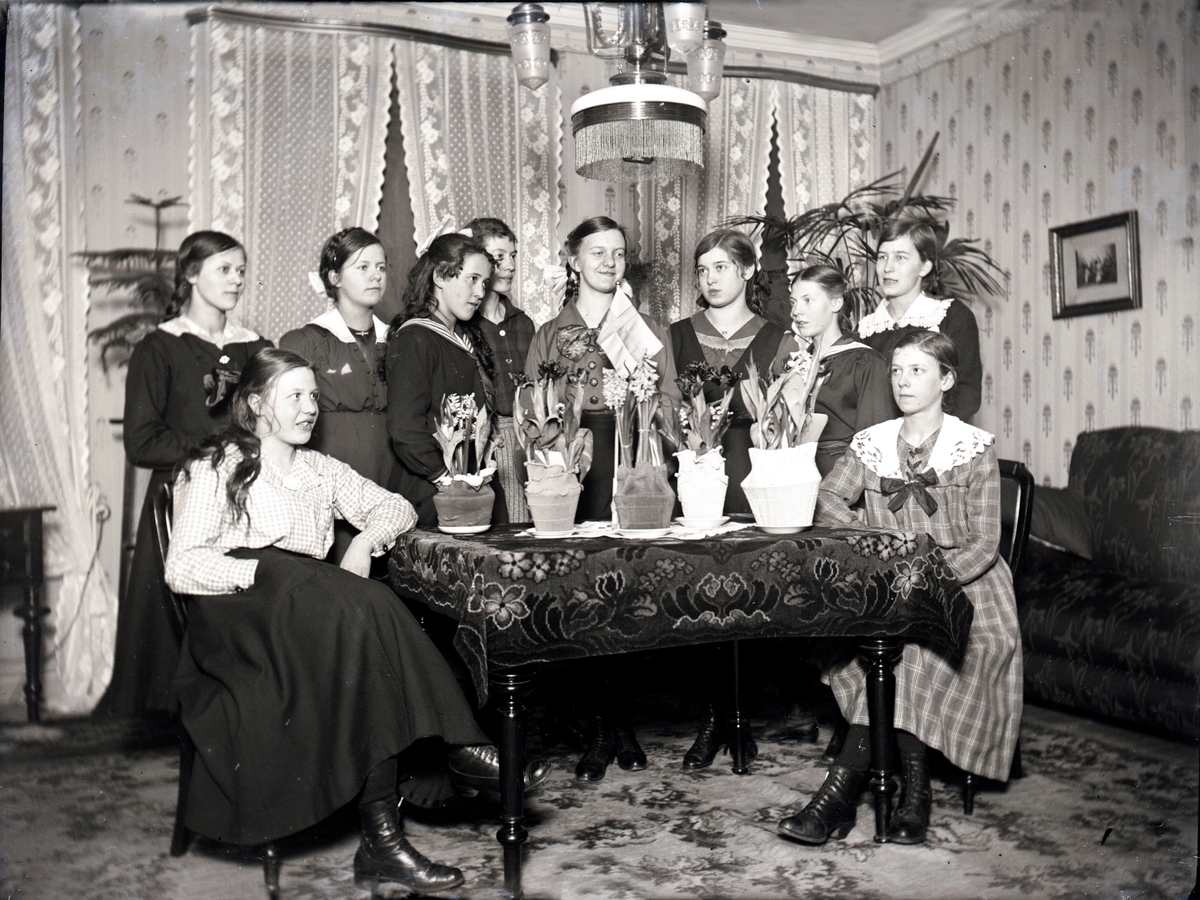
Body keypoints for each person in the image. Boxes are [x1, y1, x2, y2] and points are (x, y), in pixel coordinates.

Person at [165, 348, 548, 894]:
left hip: (314, 612)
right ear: (255, 404)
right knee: (366, 606)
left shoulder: (318, 469)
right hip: (241, 619)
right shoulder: (216, 467)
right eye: (294, 397)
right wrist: (265, 574)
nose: (309, 408)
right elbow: (181, 566)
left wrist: (365, 542)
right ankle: (459, 749)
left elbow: (397, 508)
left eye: (313, 396)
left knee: (368, 623)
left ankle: (385, 842)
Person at [779, 329, 1021, 847]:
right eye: (897, 371)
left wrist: (927, 579)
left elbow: (984, 543)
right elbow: (828, 500)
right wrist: (875, 545)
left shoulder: (973, 448)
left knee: (907, 651)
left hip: (966, 586)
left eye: (917, 371)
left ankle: (848, 794)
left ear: (946, 380)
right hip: (889, 582)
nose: (903, 381)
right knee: (880, 647)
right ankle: (911, 790)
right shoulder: (873, 444)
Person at [525, 216, 681, 782]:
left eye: (617, 253)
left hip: (633, 457)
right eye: (597, 252)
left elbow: (670, 399)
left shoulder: (646, 326)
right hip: (576, 465)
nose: (609, 262)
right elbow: (533, 409)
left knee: (631, 590)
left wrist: (645, 415)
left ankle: (622, 723)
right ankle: (596, 728)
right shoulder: (550, 332)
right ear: (573, 260)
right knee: (582, 593)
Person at [97, 231, 272, 717]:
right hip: (181, 500)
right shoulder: (159, 347)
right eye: (225, 270)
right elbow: (142, 442)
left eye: (241, 271)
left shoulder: (256, 347)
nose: (237, 280)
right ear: (191, 274)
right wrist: (216, 451)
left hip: (248, 499)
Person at [279, 227, 394, 563]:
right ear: (334, 277)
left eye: (381, 267)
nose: (376, 275)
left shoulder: (398, 339)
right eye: (363, 267)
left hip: (390, 476)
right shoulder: (305, 340)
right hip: (332, 480)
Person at [385, 232, 507, 528]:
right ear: (440, 276)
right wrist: (447, 480)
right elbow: (405, 430)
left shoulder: (466, 338)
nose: (480, 292)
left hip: (473, 484)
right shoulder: (414, 338)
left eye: (484, 283)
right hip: (435, 492)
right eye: (472, 279)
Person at [670, 228, 789, 516]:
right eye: (702, 270)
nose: (710, 279)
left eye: (720, 267)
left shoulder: (780, 340)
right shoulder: (674, 336)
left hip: (753, 484)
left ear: (747, 270)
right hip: (689, 482)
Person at [854, 217, 982, 421]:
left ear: (925, 267)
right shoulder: (864, 329)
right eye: (882, 257)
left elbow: (966, 395)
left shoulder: (951, 316)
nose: (888, 267)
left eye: (900, 257)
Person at [463, 217, 536, 523]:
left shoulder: (523, 322)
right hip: (488, 444)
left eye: (513, 256)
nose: (510, 266)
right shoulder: (465, 325)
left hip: (528, 438)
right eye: (499, 257)